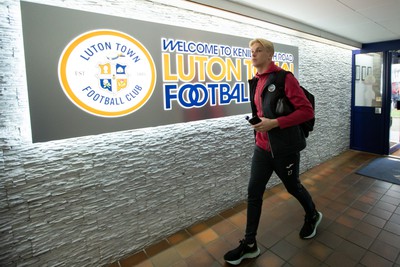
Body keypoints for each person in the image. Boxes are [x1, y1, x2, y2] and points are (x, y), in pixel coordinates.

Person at [223, 38, 322, 265]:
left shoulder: (284, 79)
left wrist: (275, 123)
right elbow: (262, 111)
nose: (253, 54)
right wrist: (260, 124)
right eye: (252, 51)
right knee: (254, 192)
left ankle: (313, 215)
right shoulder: (255, 81)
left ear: (270, 55)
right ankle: (249, 244)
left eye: (258, 51)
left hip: (284, 149)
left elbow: (306, 112)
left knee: (292, 186)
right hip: (262, 148)